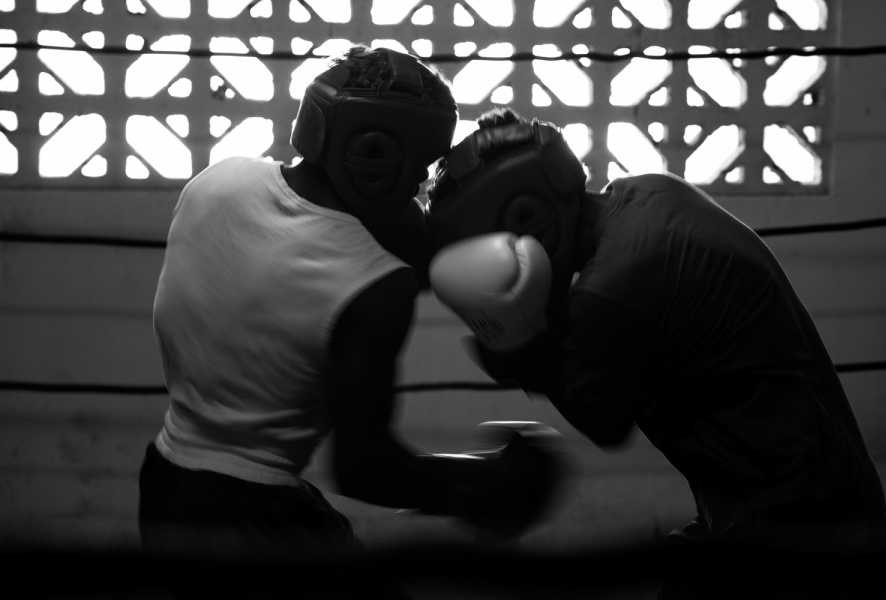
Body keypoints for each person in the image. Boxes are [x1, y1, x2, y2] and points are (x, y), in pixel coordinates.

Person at [138, 49, 569, 599]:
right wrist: (484, 483)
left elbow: (360, 232)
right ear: (375, 155)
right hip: (255, 514)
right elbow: (366, 470)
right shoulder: (372, 288)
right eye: (415, 168)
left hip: (166, 483)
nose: (418, 185)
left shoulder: (216, 180)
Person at [424, 107, 886, 599]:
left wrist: (516, 341)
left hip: (797, 528)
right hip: (799, 501)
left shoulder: (614, 289)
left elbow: (601, 418)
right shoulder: (647, 192)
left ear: (526, 216)